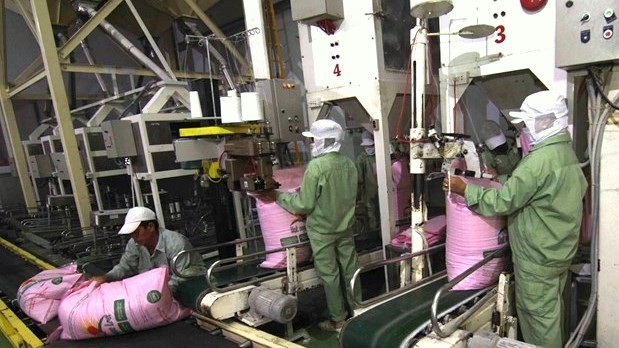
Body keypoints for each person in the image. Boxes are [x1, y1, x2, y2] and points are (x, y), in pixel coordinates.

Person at [443, 91, 587, 347]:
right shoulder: (565, 154)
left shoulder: (538, 161)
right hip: (559, 251)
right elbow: (537, 188)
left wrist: (466, 190)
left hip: (537, 260)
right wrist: (500, 181)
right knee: (552, 314)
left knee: (539, 321)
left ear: (544, 122)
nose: (524, 129)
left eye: (527, 123)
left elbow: (503, 202)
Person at [258, 119, 358, 332]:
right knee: (350, 271)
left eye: (313, 140)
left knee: (330, 276)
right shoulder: (349, 163)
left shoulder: (316, 167)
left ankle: (338, 320)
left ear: (323, 141)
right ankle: (358, 311)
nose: (311, 144)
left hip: (322, 231)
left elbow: (305, 204)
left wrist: (277, 196)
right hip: (345, 229)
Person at [91, 206, 205, 296]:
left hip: (190, 287)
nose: (133, 237)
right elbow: (124, 267)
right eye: (131, 234)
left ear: (150, 227)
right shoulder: (134, 244)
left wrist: (156, 296)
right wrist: (106, 277)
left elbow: (179, 278)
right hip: (156, 290)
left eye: (136, 232)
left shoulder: (176, 243)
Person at [355, 130, 380, 239]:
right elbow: (359, 178)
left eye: (371, 145)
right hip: (369, 192)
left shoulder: (381, 155)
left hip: (384, 190)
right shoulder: (361, 159)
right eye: (366, 146)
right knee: (372, 214)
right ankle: (375, 236)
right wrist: (358, 195)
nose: (368, 148)